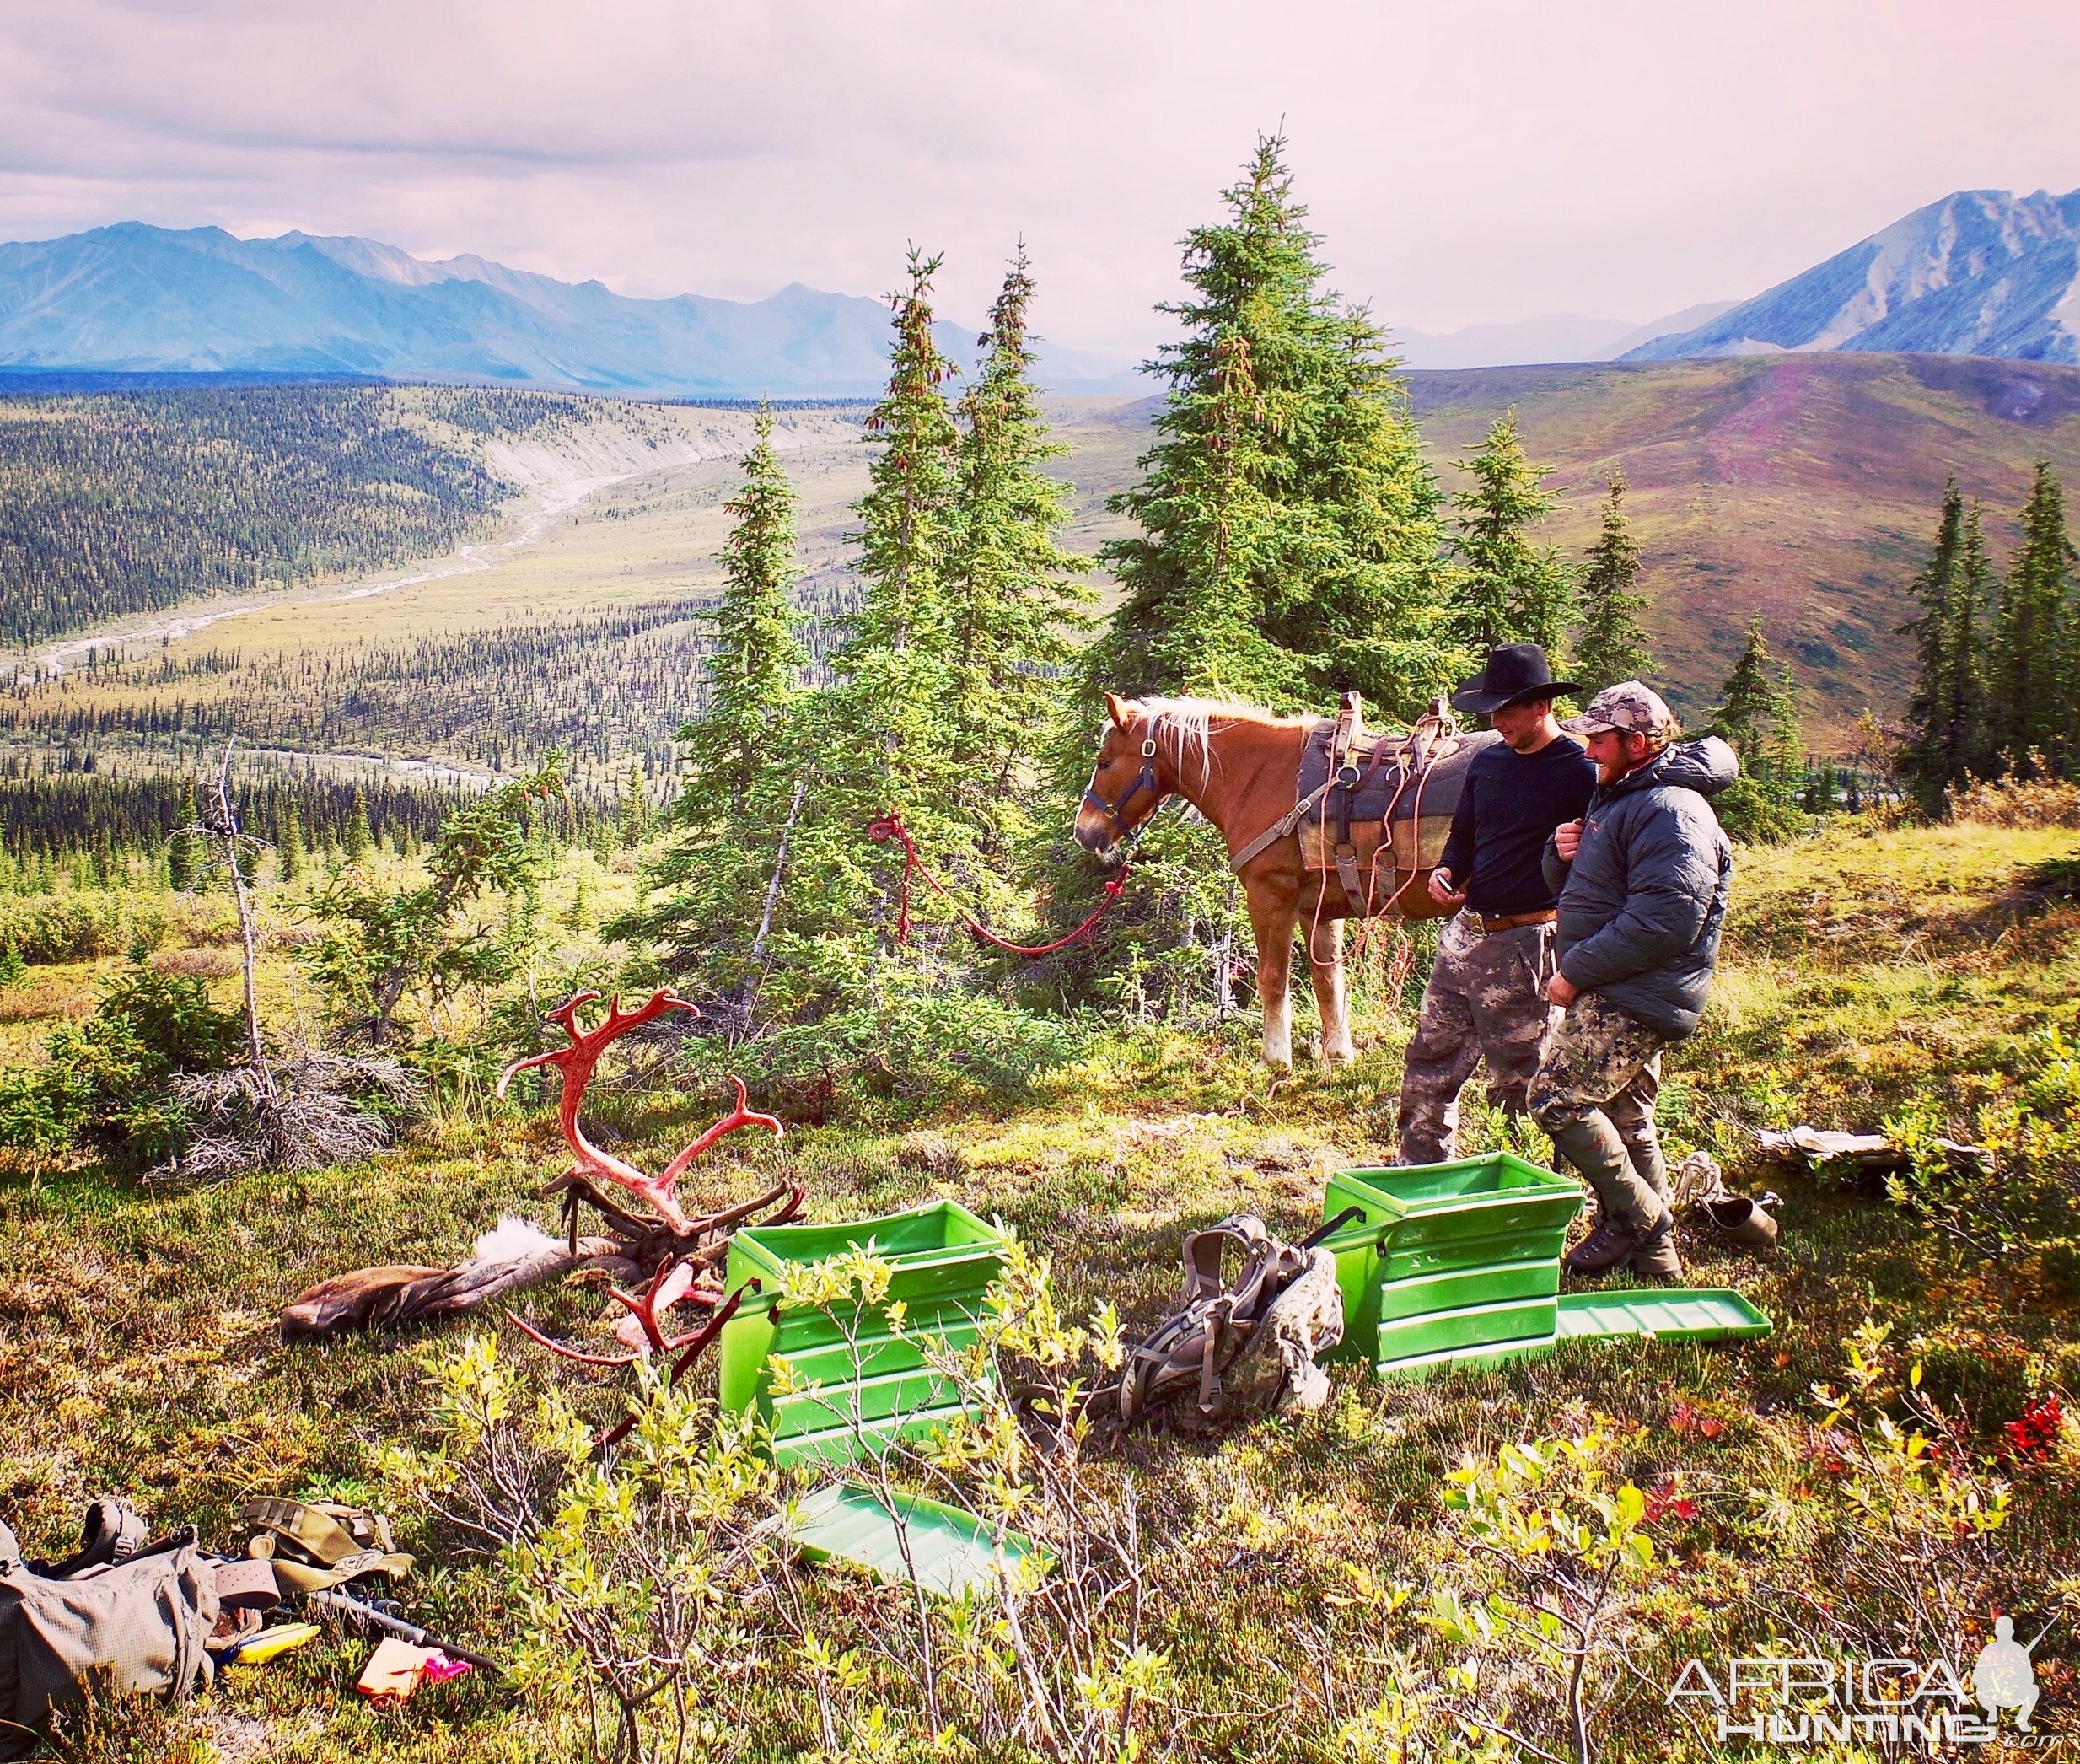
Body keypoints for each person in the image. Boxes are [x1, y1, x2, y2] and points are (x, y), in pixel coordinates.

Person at [1529, 682, 1737, 1280]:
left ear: (1637, 741)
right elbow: (1584, 892)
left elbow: (1665, 920)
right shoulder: (1622, 797)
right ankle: (1657, 1266)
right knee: (1625, 1116)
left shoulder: (1670, 808)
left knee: (1555, 1101)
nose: (1588, 751)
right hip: (1622, 984)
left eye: (1599, 739)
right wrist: (1559, 852)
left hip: (1630, 991)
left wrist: (1573, 973)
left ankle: (1644, 1220)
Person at [1394, 643, 1597, 1164]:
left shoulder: (1577, 770)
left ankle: (1527, 1189)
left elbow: (1598, 858)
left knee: (1522, 1076)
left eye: (1508, 709)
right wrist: (1447, 871)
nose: (1497, 720)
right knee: (1428, 1061)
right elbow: (1464, 837)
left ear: (1541, 707)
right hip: (1465, 935)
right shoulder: (1487, 762)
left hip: (1530, 941)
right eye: (1493, 709)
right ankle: (1420, 1172)